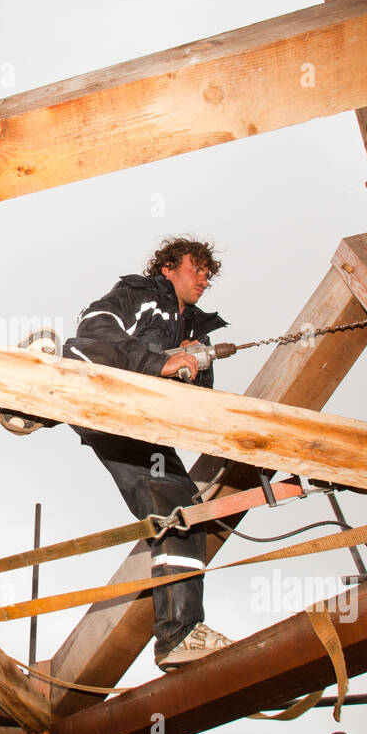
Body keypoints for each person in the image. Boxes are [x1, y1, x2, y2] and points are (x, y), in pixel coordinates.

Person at [61, 236, 232, 672]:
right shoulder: (140, 295)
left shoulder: (194, 330)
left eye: (209, 275)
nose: (204, 279)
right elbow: (96, 330)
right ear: (169, 268)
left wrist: (192, 369)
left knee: (185, 514)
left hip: (142, 428)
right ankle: (28, 404)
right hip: (106, 396)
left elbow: (195, 399)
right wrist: (159, 363)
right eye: (197, 269)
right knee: (79, 354)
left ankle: (180, 636)